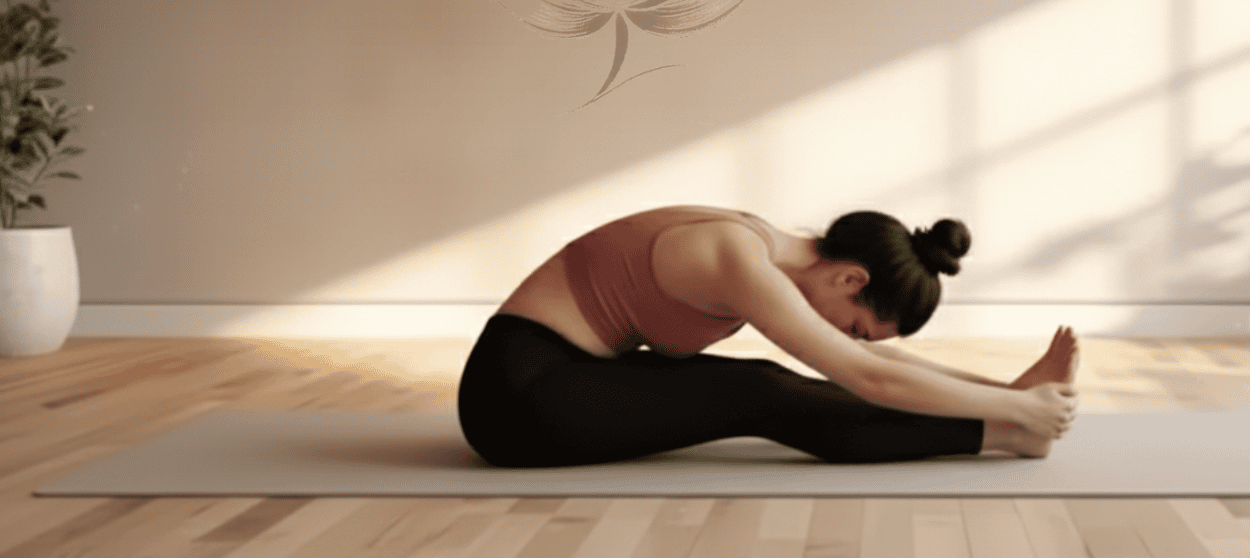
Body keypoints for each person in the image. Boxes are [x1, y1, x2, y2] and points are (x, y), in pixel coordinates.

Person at [457, 205, 1079, 467]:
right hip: (516, 398)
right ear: (849, 277)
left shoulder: (767, 251)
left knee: (760, 383)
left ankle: (1007, 422)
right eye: (859, 327)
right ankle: (1005, 432)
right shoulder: (735, 257)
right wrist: (1019, 407)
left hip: (565, 375)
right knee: (756, 390)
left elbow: (876, 362)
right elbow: (868, 375)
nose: (854, 340)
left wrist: (1006, 386)